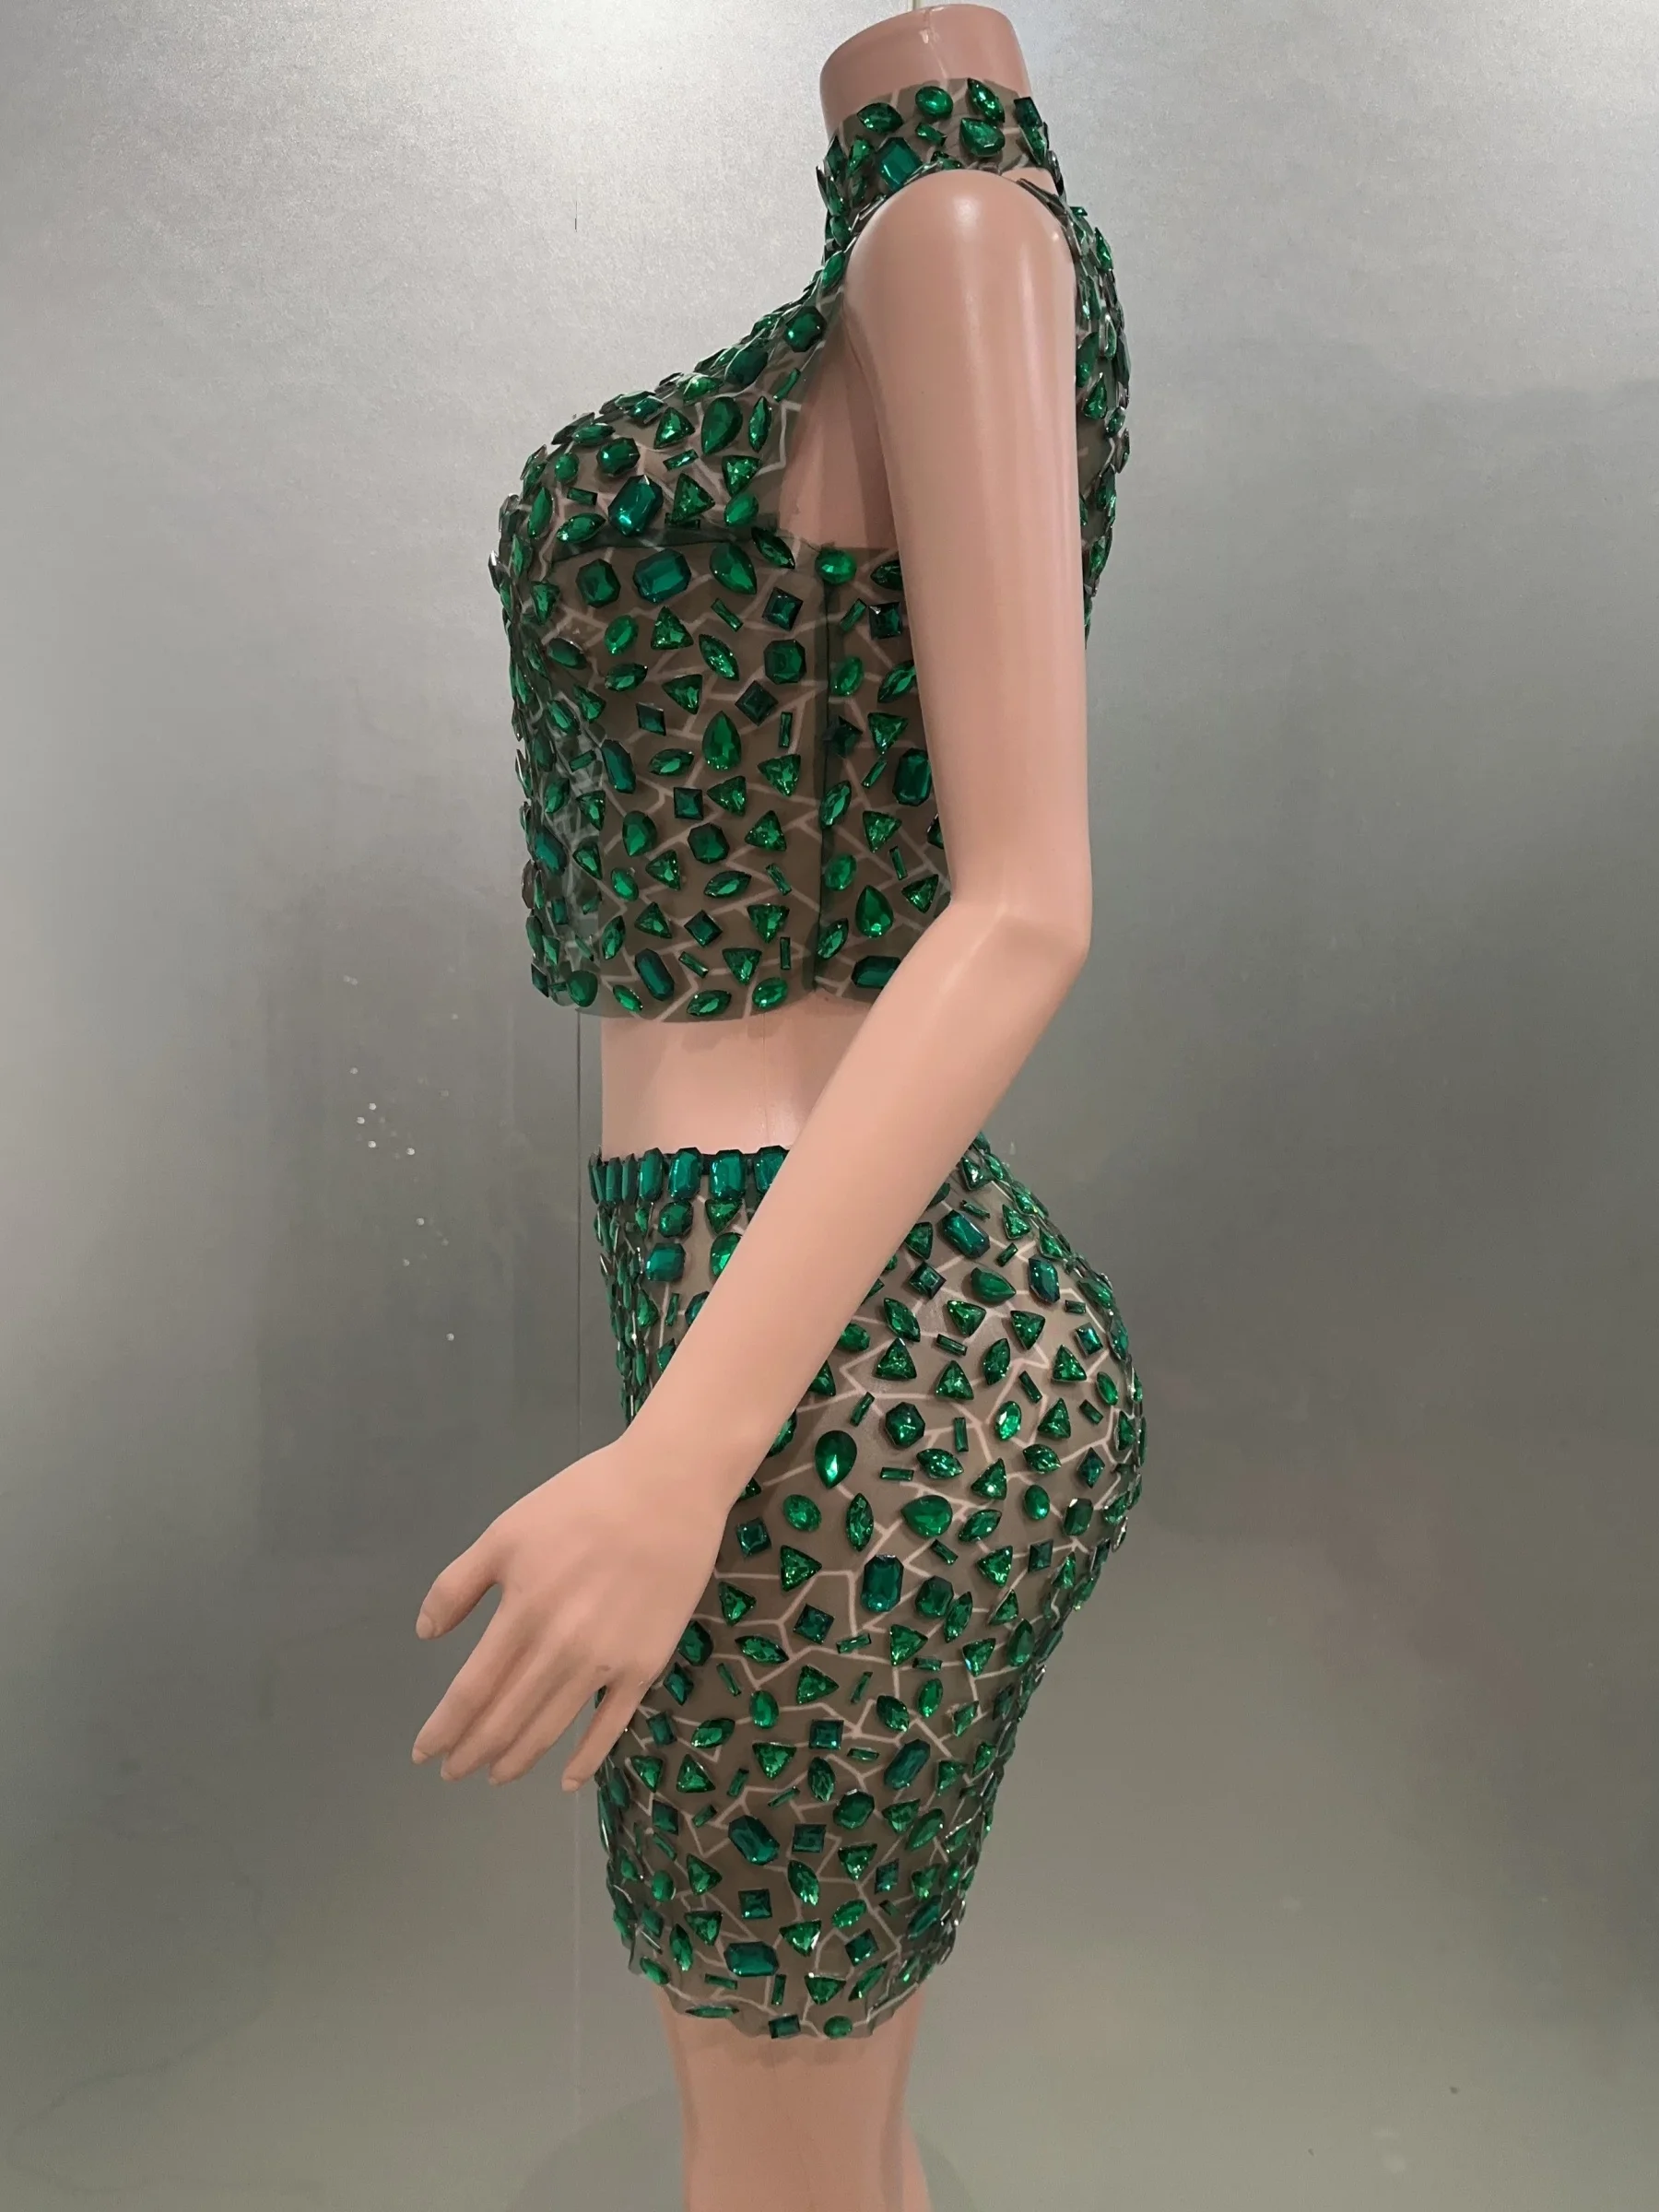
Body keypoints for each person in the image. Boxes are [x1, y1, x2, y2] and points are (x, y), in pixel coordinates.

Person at [414, 8, 1143, 2206]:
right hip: (792, 1322)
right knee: (820, 2129)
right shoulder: (921, 258)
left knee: (776, 2148)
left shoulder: (955, 231)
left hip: (837, 1372)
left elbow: (1026, 905)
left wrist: (680, 1465)